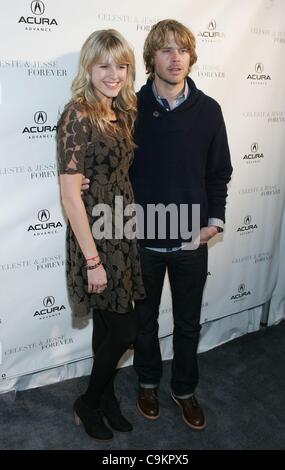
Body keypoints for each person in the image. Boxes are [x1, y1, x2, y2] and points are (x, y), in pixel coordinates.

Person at [82, 19, 233, 431]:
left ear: (191, 56)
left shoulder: (209, 111)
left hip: (190, 241)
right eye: (165, 49)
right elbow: (110, 160)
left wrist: (213, 221)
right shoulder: (130, 108)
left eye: (182, 49)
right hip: (141, 239)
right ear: (150, 58)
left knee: (188, 322)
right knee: (142, 324)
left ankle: (184, 390)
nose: (175, 57)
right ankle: (147, 382)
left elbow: (219, 172)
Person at [57, 29, 145, 441]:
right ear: (89, 66)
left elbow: (115, 171)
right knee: (126, 330)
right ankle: (88, 402)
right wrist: (92, 260)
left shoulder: (124, 111)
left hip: (122, 226)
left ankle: (106, 397)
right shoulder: (77, 114)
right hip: (94, 233)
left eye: (122, 65)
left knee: (109, 328)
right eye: (105, 65)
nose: (114, 74)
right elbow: (71, 197)